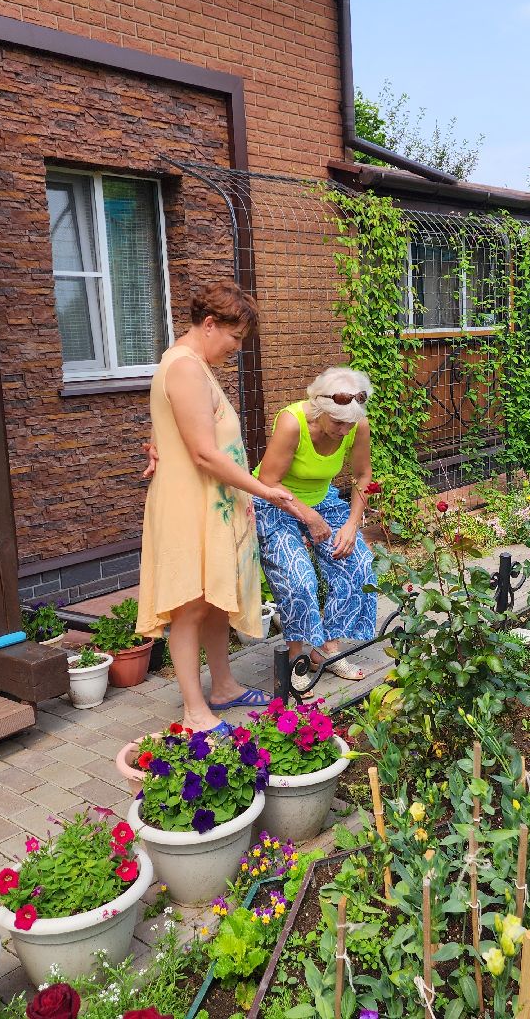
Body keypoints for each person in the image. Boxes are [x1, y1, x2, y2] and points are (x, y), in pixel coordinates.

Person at [135, 281, 298, 733]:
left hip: (209, 503)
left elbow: (179, 433)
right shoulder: (185, 368)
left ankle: (223, 686)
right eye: (235, 338)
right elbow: (205, 454)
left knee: (211, 600)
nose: (236, 349)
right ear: (210, 325)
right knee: (189, 605)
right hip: (189, 506)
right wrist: (265, 491)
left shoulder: (195, 365)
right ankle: (194, 711)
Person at [252, 367, 378, 683]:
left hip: (322, 500)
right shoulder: (292, 422)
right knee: (298, 577)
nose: (343, 429)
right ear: (319, 409)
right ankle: (295, 660)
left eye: (349, 423)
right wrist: (308, 516)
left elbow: (363, 475)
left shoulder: (356, 425)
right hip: (275, 501)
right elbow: (269, 480)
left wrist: (351, 526)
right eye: (337, 422)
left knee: (358, 565)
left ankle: (326, 650)